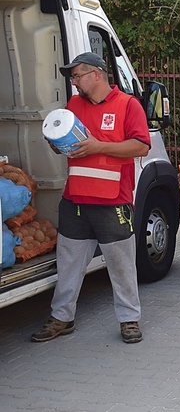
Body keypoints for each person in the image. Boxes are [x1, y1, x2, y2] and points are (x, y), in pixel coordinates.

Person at [31, 52, 150, 344]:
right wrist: (56, 143)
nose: (74, 83)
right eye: (72, 78)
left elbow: (141, 146)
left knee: (121, 265)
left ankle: (129, 319)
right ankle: (62, 318)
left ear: (96, 74)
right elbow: (67, 147)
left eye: (78, 76)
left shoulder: (127, 105)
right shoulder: (73, 105)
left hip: (113, 202)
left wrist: (99, 145)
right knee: (68, 262)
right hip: (75, 200)